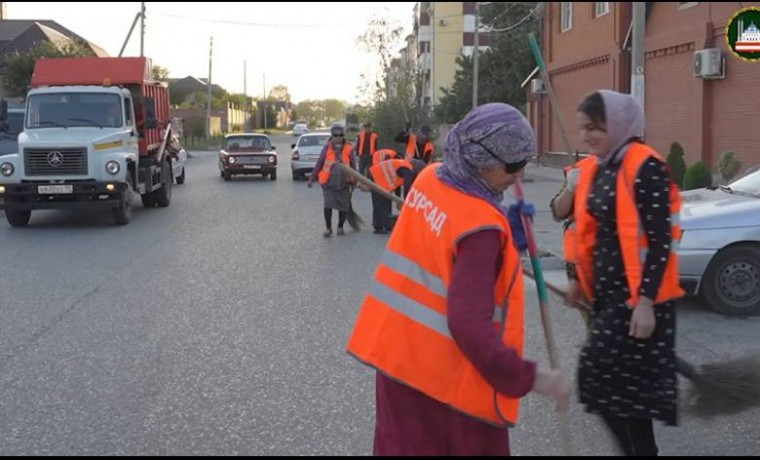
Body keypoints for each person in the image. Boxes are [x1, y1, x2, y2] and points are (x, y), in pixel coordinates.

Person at [346, 103, 570, 456]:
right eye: (515, 166)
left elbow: (440, 250)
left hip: (398, 366)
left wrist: (506, 238)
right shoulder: (481, 229)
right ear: (484, 162)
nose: (520, 175)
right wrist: (531, 377)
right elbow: (468, 325)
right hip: (446, 389)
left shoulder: (431, 177)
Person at [565, 90, 683, 456]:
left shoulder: (646, 166)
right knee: (623, 396)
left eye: (594, 128)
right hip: (609, 295)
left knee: (606, 382)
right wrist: (578, 279)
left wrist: (645, 302)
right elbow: (591, 231)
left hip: (638, 301)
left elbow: (661, 241)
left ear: (615, 125)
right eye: (582, 128)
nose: (586, 136)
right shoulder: (604, 165)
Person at [308, 124, 357, 238]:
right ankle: (328, 228)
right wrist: (311, 178)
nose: (338, 137)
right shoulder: (326, 148)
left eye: (340, 135)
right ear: (332, 136)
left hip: (344, 182)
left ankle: (340, 227)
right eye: (335, 135)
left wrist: (355, 181)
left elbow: (354, 166)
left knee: (343, 206)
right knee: (328, 205)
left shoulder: (348, 148)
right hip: (329, 183)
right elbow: (319, 164)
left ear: (343, 135)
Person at [366, 149, 425, 234]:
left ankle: (378, 226)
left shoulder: (403, 165)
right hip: (378, 177)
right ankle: (386, 226)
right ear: (417, 167)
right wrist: (405, 201)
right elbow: (407, 185)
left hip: (378, 176)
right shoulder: (407, 168)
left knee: (380, 202)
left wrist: (398, 199)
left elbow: (398, 185)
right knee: (382, 202)